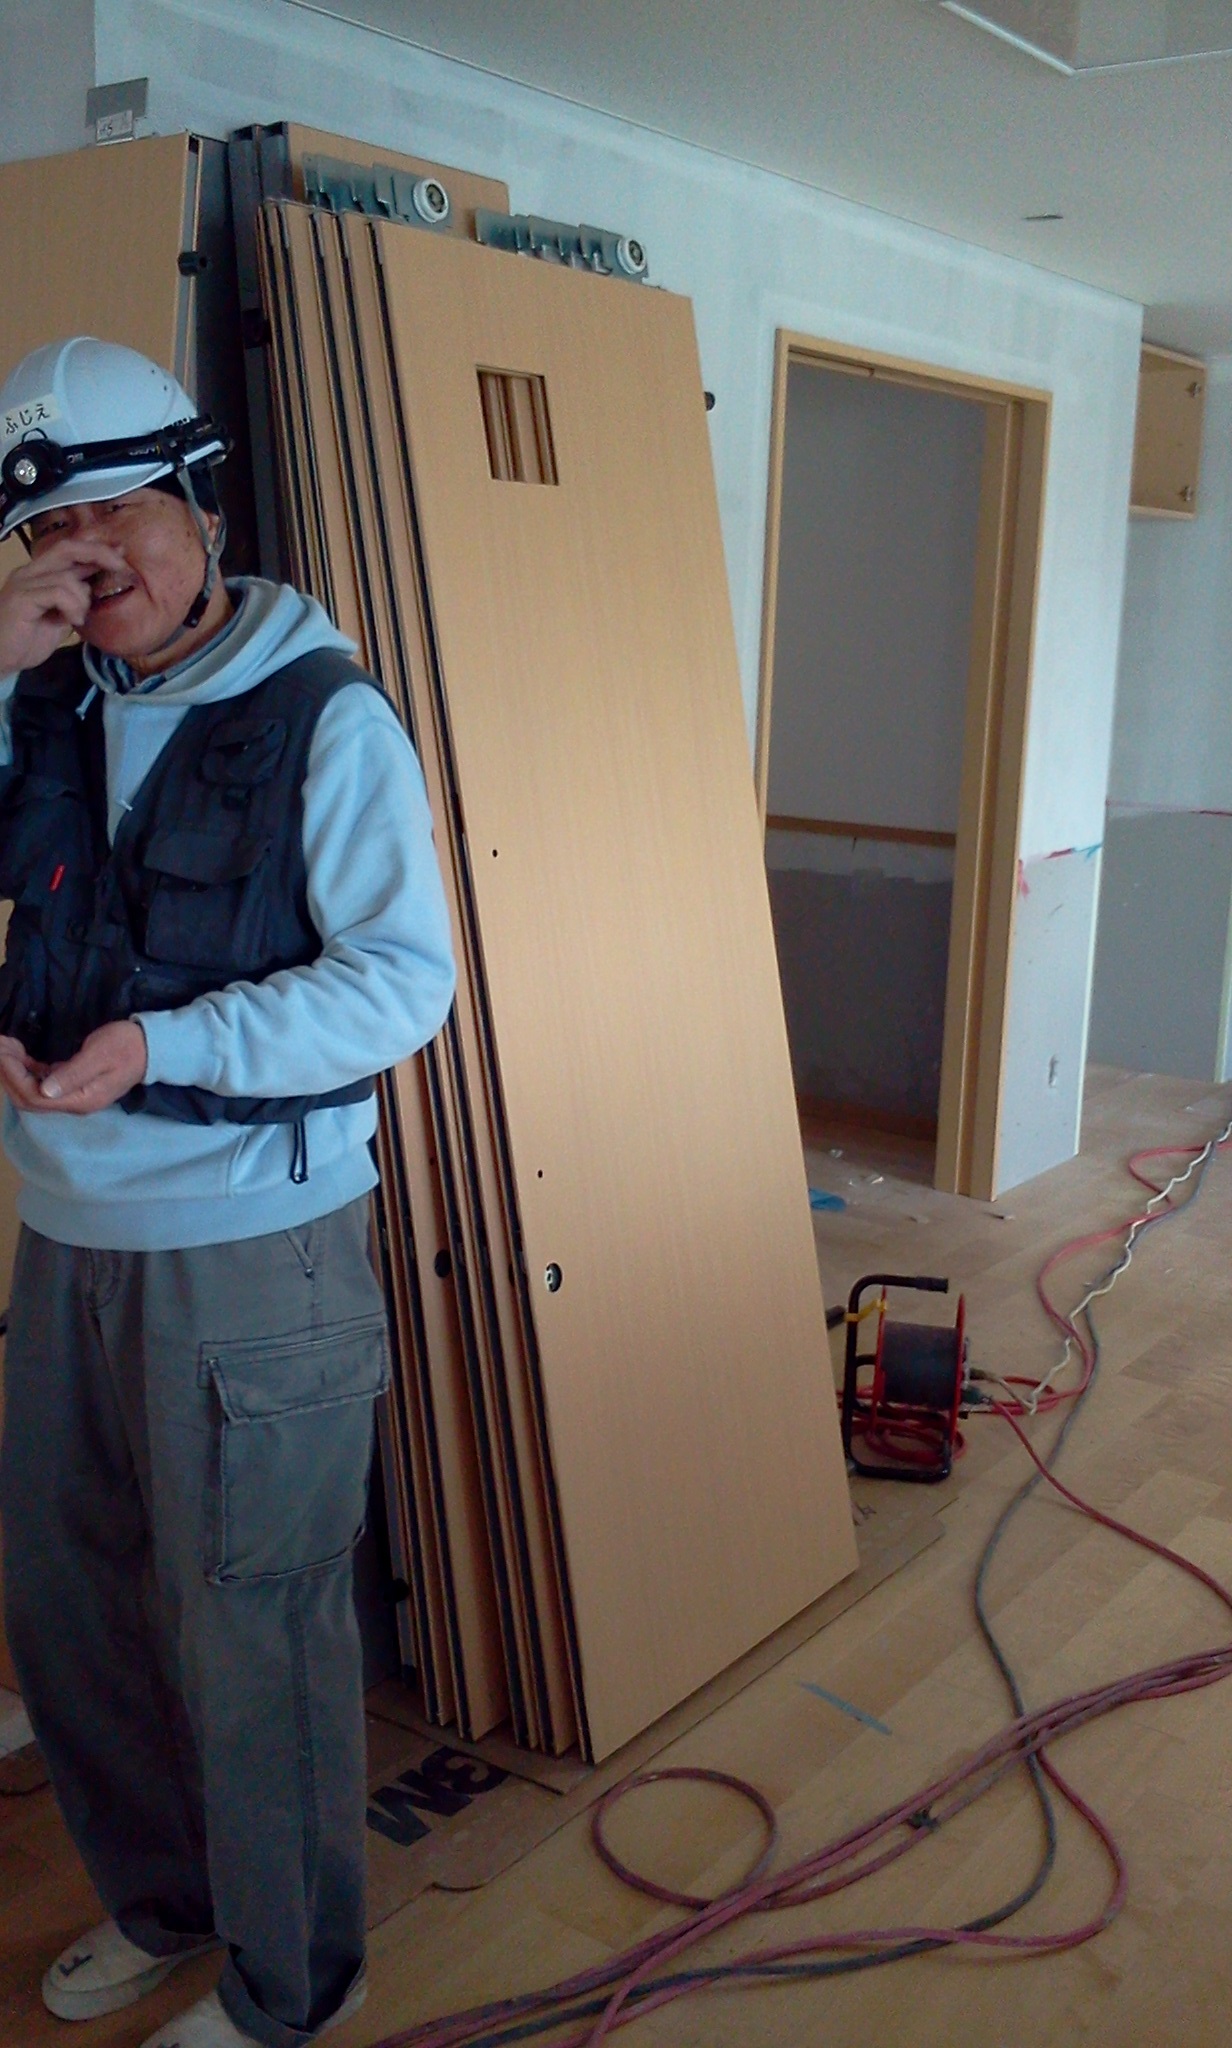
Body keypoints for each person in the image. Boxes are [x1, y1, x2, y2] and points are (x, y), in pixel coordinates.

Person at [0, 336, 456, 2048]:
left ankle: (290, 1987)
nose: (86, 554)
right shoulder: (46, 697)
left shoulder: (324, 716)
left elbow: (402, 983)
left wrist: (161, 1043)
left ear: (201, 501)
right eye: (47, 529)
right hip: (65, 1230)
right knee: (74, 1609)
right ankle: (167, 1907)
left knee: (252, 1626)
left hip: (254, 1245)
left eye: (117, 508)